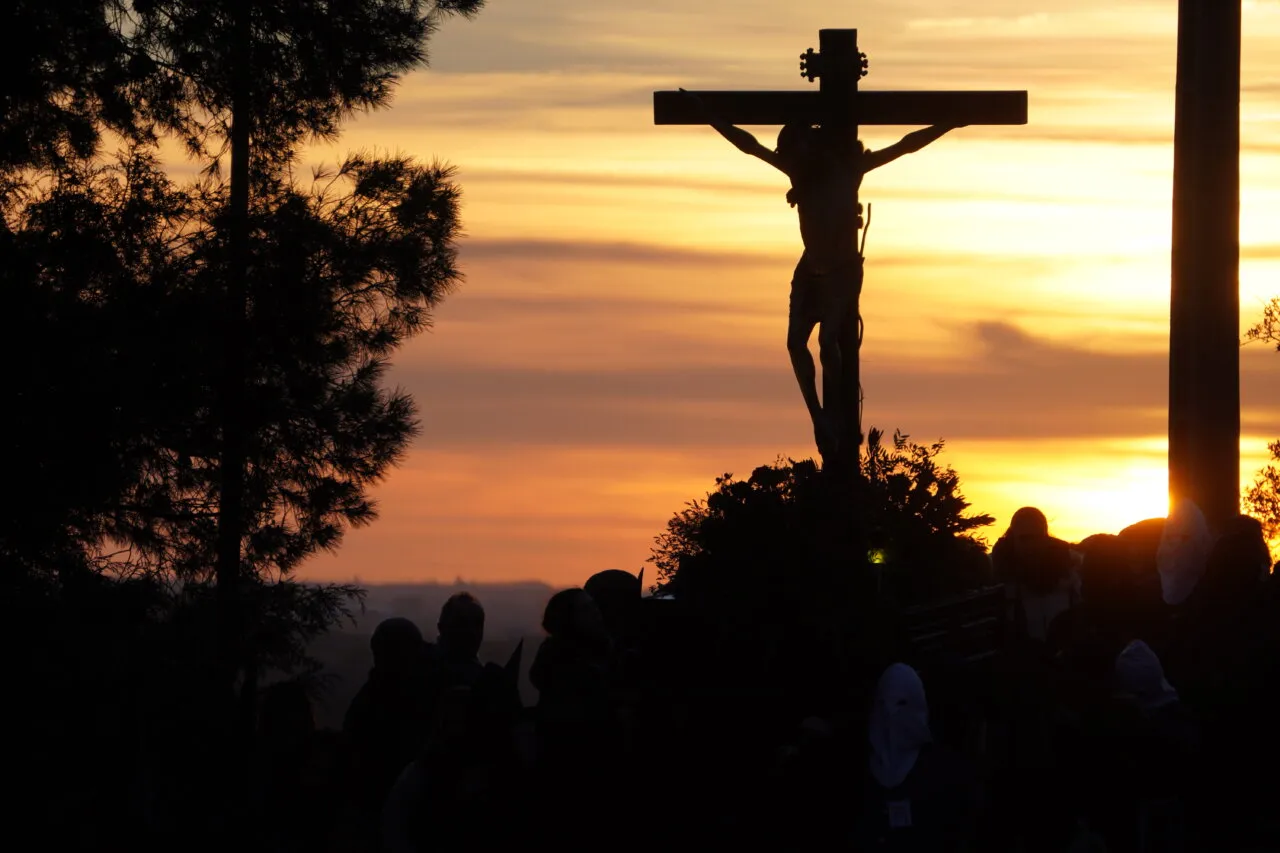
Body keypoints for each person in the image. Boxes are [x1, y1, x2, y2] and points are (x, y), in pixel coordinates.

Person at [679, 87, 959, 457]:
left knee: (829, 342)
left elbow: (907, 144)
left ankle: (837, 415)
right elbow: (748, 145)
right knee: (795, 343)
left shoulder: (849, 168)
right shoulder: (800, 171)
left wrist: (950, 122)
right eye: (789, 152)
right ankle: (819, 417)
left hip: (842, 269)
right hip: (810, 268)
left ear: (810, 145)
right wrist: (708, 116)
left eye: (796, 148)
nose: (790, 157)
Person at [854, 663, 981, 852]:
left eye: (901, 703)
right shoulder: (859, 773)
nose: (890, 712)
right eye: (883, 703)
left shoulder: (944, 772)